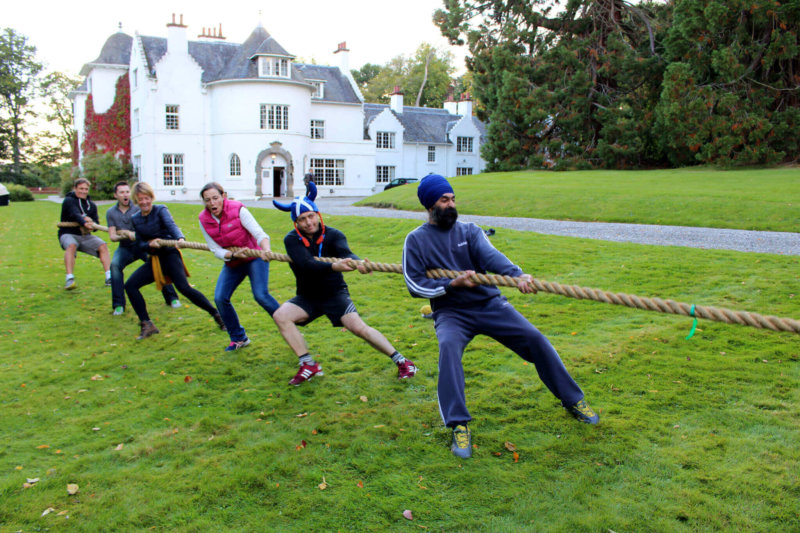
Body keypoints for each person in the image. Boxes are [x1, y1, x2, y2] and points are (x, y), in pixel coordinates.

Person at [402, 174, 599, 459]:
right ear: (429, 205)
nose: (451, 204)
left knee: (535, 338)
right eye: (444, 200)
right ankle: (459, 425)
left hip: (488, 304)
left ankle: (573, 400)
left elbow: (491, 256)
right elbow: (414, 285)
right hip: (451, 312)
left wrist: (517, 275)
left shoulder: (469, 231)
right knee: (448, 349)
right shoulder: (416, 240)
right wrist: (450, 285)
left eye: (453, 198)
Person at [272, 182, 417, 385]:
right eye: (302, 219)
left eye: (311, 216)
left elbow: (345, 252)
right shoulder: (292, 240)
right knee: (281, 316)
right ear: (296, 222)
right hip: (308, 296)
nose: (308, 222)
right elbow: (305, 264)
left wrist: (359, 263)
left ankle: (403, 361)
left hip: (334, 294)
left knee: (360, 329)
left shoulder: (334, 234)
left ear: (317, 214)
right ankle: (308, 364)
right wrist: (333, 267)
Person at [124, 182, 224, 340]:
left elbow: (171, 226)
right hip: (156, 259)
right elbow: (139, 244)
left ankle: (217, 315)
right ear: (136, 201)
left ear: (151, 197)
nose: (144, 202)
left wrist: (180, 238)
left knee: (184, 288)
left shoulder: (160, 210)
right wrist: (149, 244)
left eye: (146, 198)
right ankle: (147, 324)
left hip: (170, 254)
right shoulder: (135, 219)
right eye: (140, 199)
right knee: (130, 285)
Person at [199, 182, 280, 351]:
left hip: (254, 258)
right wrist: (233, 255)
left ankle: (288, 320)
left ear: (223, 196)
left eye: (215, 198)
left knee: (260, 295)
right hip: (234, 262)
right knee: (220, 297)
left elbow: (259, 233)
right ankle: (239, 338)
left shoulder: (238, 209)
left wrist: (266, 250)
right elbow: (215, 249)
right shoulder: (203, 219)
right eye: (208, 200)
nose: (212, 203)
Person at [106, 181, 180, 316]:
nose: (125, 195)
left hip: (142, 247)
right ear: (115, 195)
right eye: (121, 192)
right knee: (115, 266)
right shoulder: (111, 212)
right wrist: (125, 234)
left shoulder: (139, 207)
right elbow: (112, 236)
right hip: (125, 247)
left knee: (158, 264)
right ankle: (118, 305)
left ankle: (172, 298)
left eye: (127, 192)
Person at [58, 178, 112, 290]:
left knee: (102, 245)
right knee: (71, 245)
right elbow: (74, 214)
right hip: (68, 233)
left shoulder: (91, 205)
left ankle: (109, 277)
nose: (83, 191)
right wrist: (84, 221)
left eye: (86, 189)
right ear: (75, 188)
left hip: (85, 236)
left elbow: (96, 223)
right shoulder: (69, 200)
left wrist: (92, 224)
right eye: (81, 188)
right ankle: (69, 278)